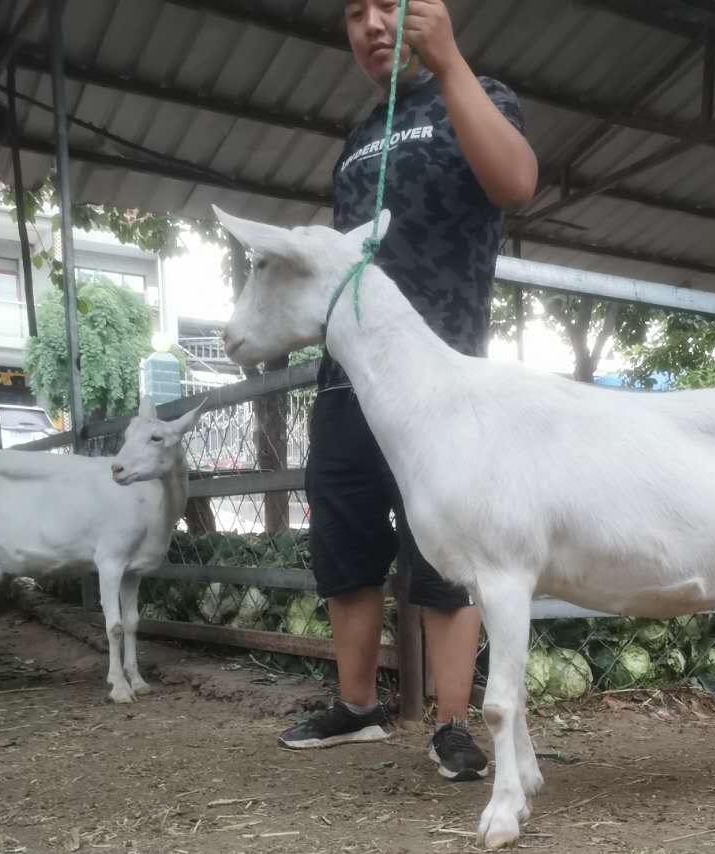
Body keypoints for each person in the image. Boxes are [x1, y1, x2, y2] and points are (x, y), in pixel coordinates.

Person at [276, 0, 538, 784]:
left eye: (387, 5)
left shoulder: (479, 94)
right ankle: (357, 707)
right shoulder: (355, 138)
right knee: (345, 540)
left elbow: (517, 182)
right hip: (346, 379)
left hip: (445, 378)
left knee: (451, 551)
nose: (372, 24)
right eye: (354, 13)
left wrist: (451, 63)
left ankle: (452, 725)